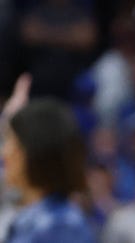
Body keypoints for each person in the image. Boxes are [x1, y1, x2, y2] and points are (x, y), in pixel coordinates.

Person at [2, 85, 97, 243]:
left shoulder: (60, 227)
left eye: (14, 143)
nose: (5, 152)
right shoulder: (31, 218)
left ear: (36, 154)